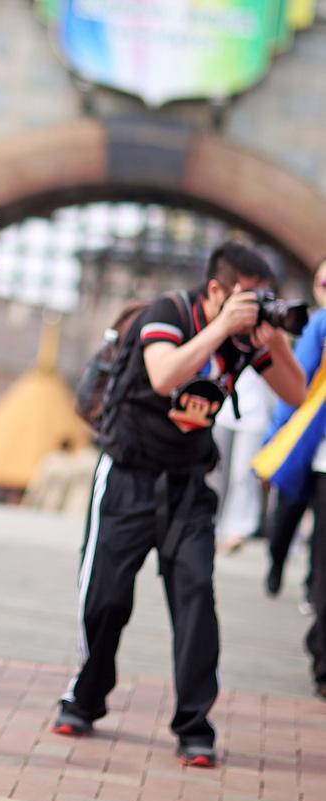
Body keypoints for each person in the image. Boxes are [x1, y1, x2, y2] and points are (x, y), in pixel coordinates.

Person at [52, 241, 306, 767]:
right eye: (247, 298)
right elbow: (164, 373)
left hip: (187, 485)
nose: (252, 309)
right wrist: (219, 329)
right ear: (216, 290)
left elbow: (298, 394)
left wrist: (273, 341)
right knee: (106, 600)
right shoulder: (168, 312)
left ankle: (195, 723)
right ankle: (86, 697)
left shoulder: (246, 338)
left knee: (195, 600)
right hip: (127, 475)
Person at [264, 259, 326, 606]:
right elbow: (296, 388)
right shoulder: (319, 325)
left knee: (306, 518)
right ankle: (279, 564)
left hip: (311, 446)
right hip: (304, 440)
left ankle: (309, 586)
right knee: (290, 511)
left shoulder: (320, 323)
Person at [211, 367, 275, 553]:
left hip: (254, 415)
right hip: (223, 411)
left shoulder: (267, 342)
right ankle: (213, 525)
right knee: (216, 473)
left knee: (243, 475)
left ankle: (239, 528)